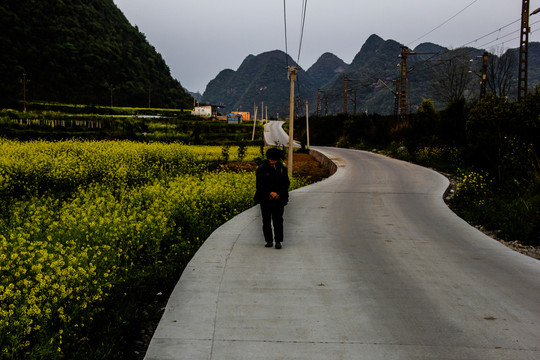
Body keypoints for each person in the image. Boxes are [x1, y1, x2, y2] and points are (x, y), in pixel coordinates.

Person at [254, 148, 290, 249]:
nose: (273, 162)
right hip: (265, 198)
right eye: (271, 160)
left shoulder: (282, 168)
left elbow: (286, 183)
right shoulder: (261, 168)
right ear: (268, 158)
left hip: (279, 199)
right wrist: (270, 193)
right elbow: (259, 185)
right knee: (266, 221)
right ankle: (269, 240)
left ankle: (278, 241)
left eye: (275, 160)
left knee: (278, 220)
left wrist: (278, 193)